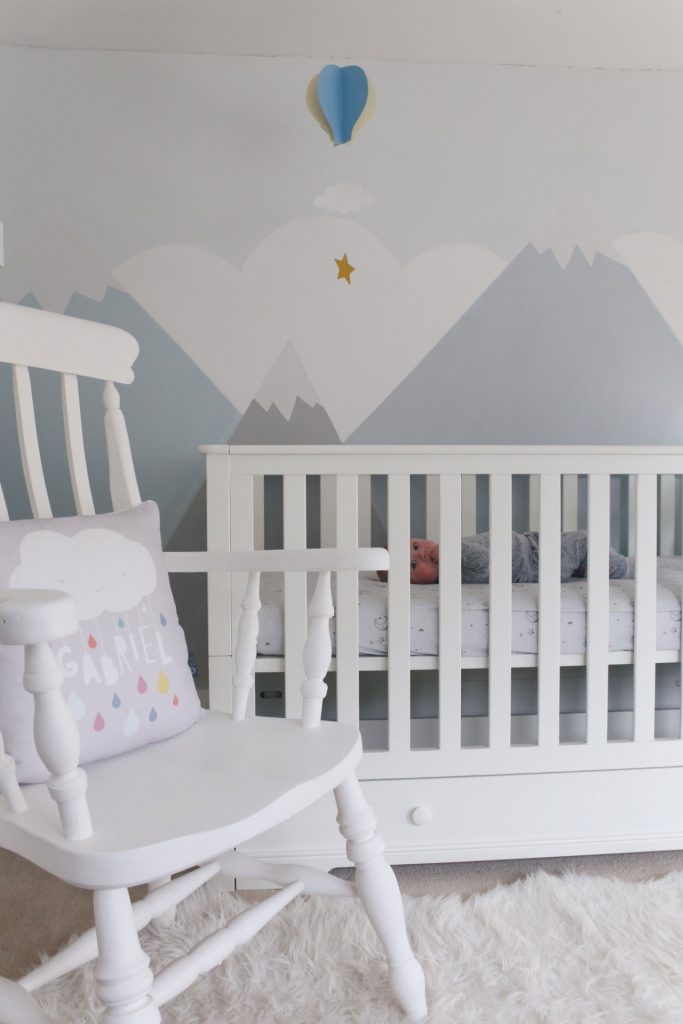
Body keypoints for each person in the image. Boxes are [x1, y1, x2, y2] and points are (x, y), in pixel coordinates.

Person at [379, 532, 632, 585]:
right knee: (584, 542)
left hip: (533, 544)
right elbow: (485, 561)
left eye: (415, 546)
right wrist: (449, 551)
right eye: (414, 565)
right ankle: (621, 568)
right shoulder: (455, 570)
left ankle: (587, 567)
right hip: (538, 562)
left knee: (577, 548)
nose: (421, 554)